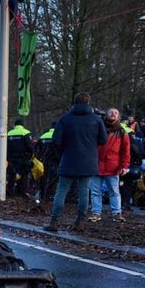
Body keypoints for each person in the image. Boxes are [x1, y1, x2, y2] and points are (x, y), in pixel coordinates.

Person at [44, 93, 106, 232]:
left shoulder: (65, 119)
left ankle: (54, 221)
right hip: (88, 162)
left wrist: (64, 150)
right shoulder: (96, 119)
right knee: (84, 193)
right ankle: (80, 222)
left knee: (61, 192)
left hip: (68, 159)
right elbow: (103, 140)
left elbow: (56, 140)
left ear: (74, 102)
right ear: (88, 102)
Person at [89, 108, 130, 223]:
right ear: (106, 114)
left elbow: (125, 151)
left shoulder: (122, 132)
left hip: (112, 166)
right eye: (111, 112)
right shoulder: (97, 129)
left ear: (119, 117)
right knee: (96, 191)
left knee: (114, 191)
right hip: (97, 165)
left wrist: (124, 166)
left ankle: (117, 213)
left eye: (116, 113)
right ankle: (96, 213)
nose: (113, 114)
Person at [6, 118, 35, 198]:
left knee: (12, 175)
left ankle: (10, 193)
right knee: (24, 175)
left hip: (11, 158)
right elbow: (30, 146)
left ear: (15, 125)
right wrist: (31, 155)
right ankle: (22, 192)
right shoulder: (26, 132)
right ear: (22, 125)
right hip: (23, 158)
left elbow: (6, 147)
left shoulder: (9, 133)